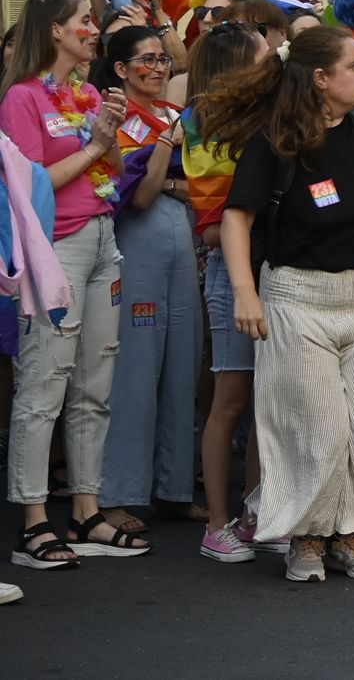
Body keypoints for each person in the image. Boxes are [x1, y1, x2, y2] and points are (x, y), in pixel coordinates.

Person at [200, 25, 354, 582]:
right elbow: (236, 218)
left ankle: (349, 536)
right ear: (321, 79)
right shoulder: (272, 142)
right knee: (318, 430)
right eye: (353, 65)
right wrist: (245, 292)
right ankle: (308, 538)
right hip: (299, 299)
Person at [2, 0, 149, 568]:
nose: (94, 29)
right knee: (45, 384)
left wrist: (108, 139)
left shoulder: (86, 94)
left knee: (94, 383)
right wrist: (96, 146)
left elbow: (107, 172)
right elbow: (33, 183)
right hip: (54, 247)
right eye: (85, 22)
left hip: (101, 239)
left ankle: (87, 511)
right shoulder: (20, 97)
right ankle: (34, 520)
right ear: (56, 31)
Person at [87, 27, 204, 534]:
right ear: (120, 69)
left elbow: (197, 186)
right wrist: (165, 153)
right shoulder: (117, 120)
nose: (159, 68)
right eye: (147, 60)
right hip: (137, 250)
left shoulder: (175, 115)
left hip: (182, 247)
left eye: (162, 59)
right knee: (134, 371)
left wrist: (173, 179)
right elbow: (138, 196)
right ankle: (118, 492)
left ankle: (173, 488)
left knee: (182, 365)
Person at [184, 23, 278, 562]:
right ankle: (217, 523)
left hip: (281, 267)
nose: (272, 63)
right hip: (232, 268)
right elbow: (216, 220)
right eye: (264, 55)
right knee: (231, 400)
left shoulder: (271, 115)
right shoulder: (198, 121)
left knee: (270, 401)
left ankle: (258, 512)